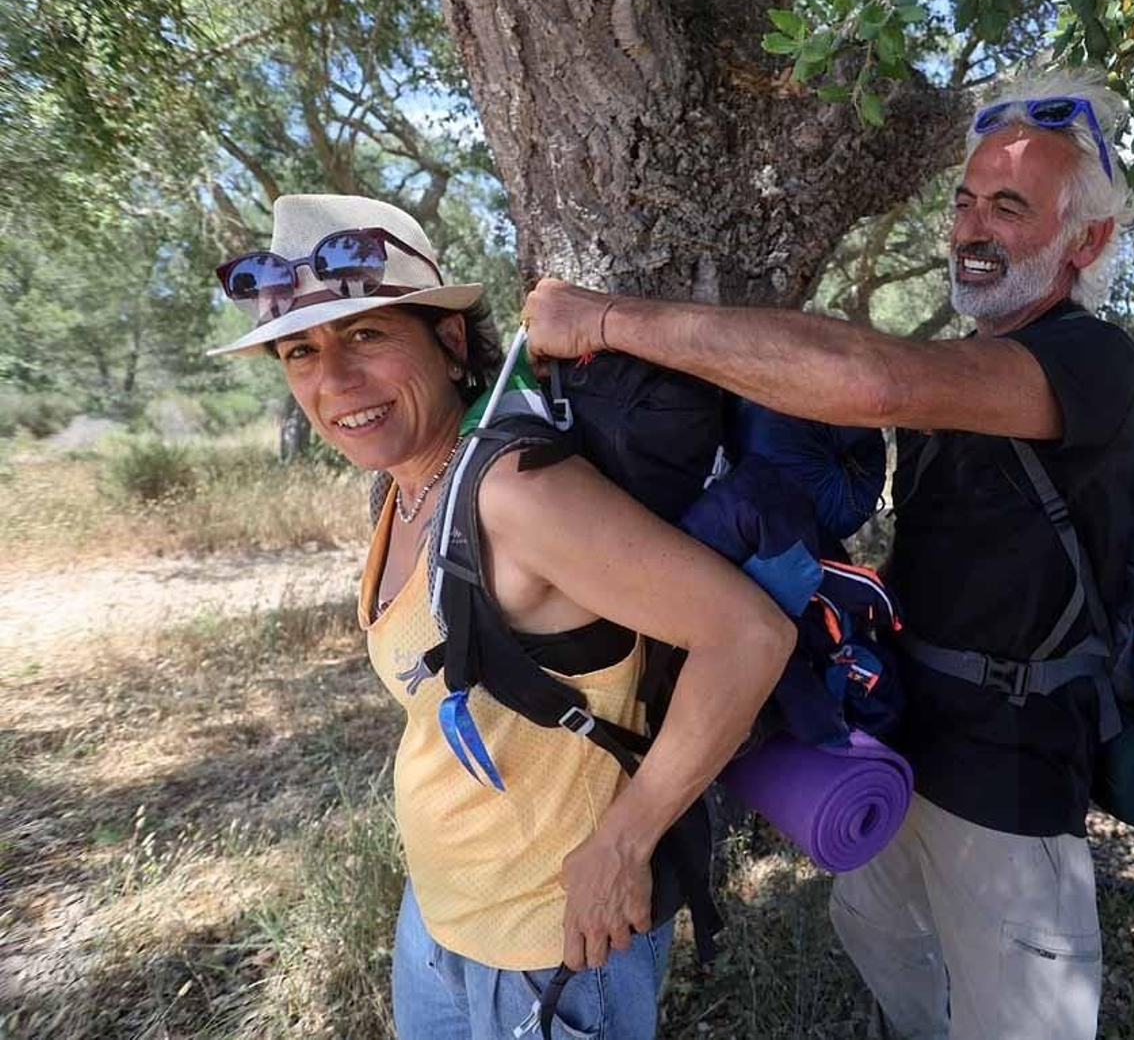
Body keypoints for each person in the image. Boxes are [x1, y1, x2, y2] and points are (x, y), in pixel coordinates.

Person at [520, 68, 1134, 1039]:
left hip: (1013, 780)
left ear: (1087, 242)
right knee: (881, 940)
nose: (972, 229)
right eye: (965, 201)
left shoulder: (1093, 361)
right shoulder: (970, 362)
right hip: (905, 742)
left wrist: (602, 320)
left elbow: (868, 380)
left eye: (1010, 207)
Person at [208, 194, 794, 1040]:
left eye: (365, 335)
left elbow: (748, 635)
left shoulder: (513, 493)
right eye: (301, 351)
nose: (333, 381)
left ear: (449, 341)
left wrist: (623, 846)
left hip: (547, 944)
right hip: (439, 916)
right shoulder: (403, 487)